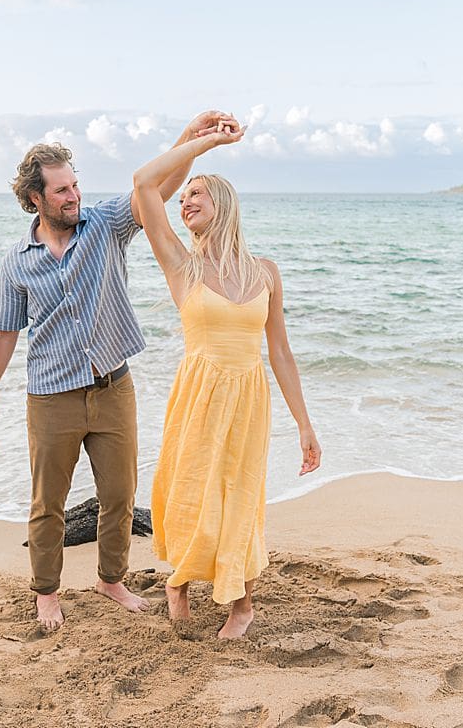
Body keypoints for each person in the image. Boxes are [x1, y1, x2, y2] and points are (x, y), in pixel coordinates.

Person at [0, 112, 235, 631]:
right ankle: (46, 592)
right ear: (34, 200)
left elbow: (154, 189)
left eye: (75, 185)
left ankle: (112, 580)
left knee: (119, 496)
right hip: (50, 396)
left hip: (114, 386)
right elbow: (2, 333)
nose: (73, 196)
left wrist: (193, 140)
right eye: (62, 191)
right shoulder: (17, 261)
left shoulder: (106, 224)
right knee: (49, 504)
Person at [131, 118, 322, 639]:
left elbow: (279, 351)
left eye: (196, 194)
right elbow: (145, 182)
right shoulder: (179, 264)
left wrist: (305, 424)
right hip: (199, 392)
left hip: (248, 396)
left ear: (224, 204)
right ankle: (181, 582)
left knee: (240, 494)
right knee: (192, 489)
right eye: (184, 197)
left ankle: (242, 604)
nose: (184, 202)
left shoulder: (265, 272)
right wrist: (207, 142)